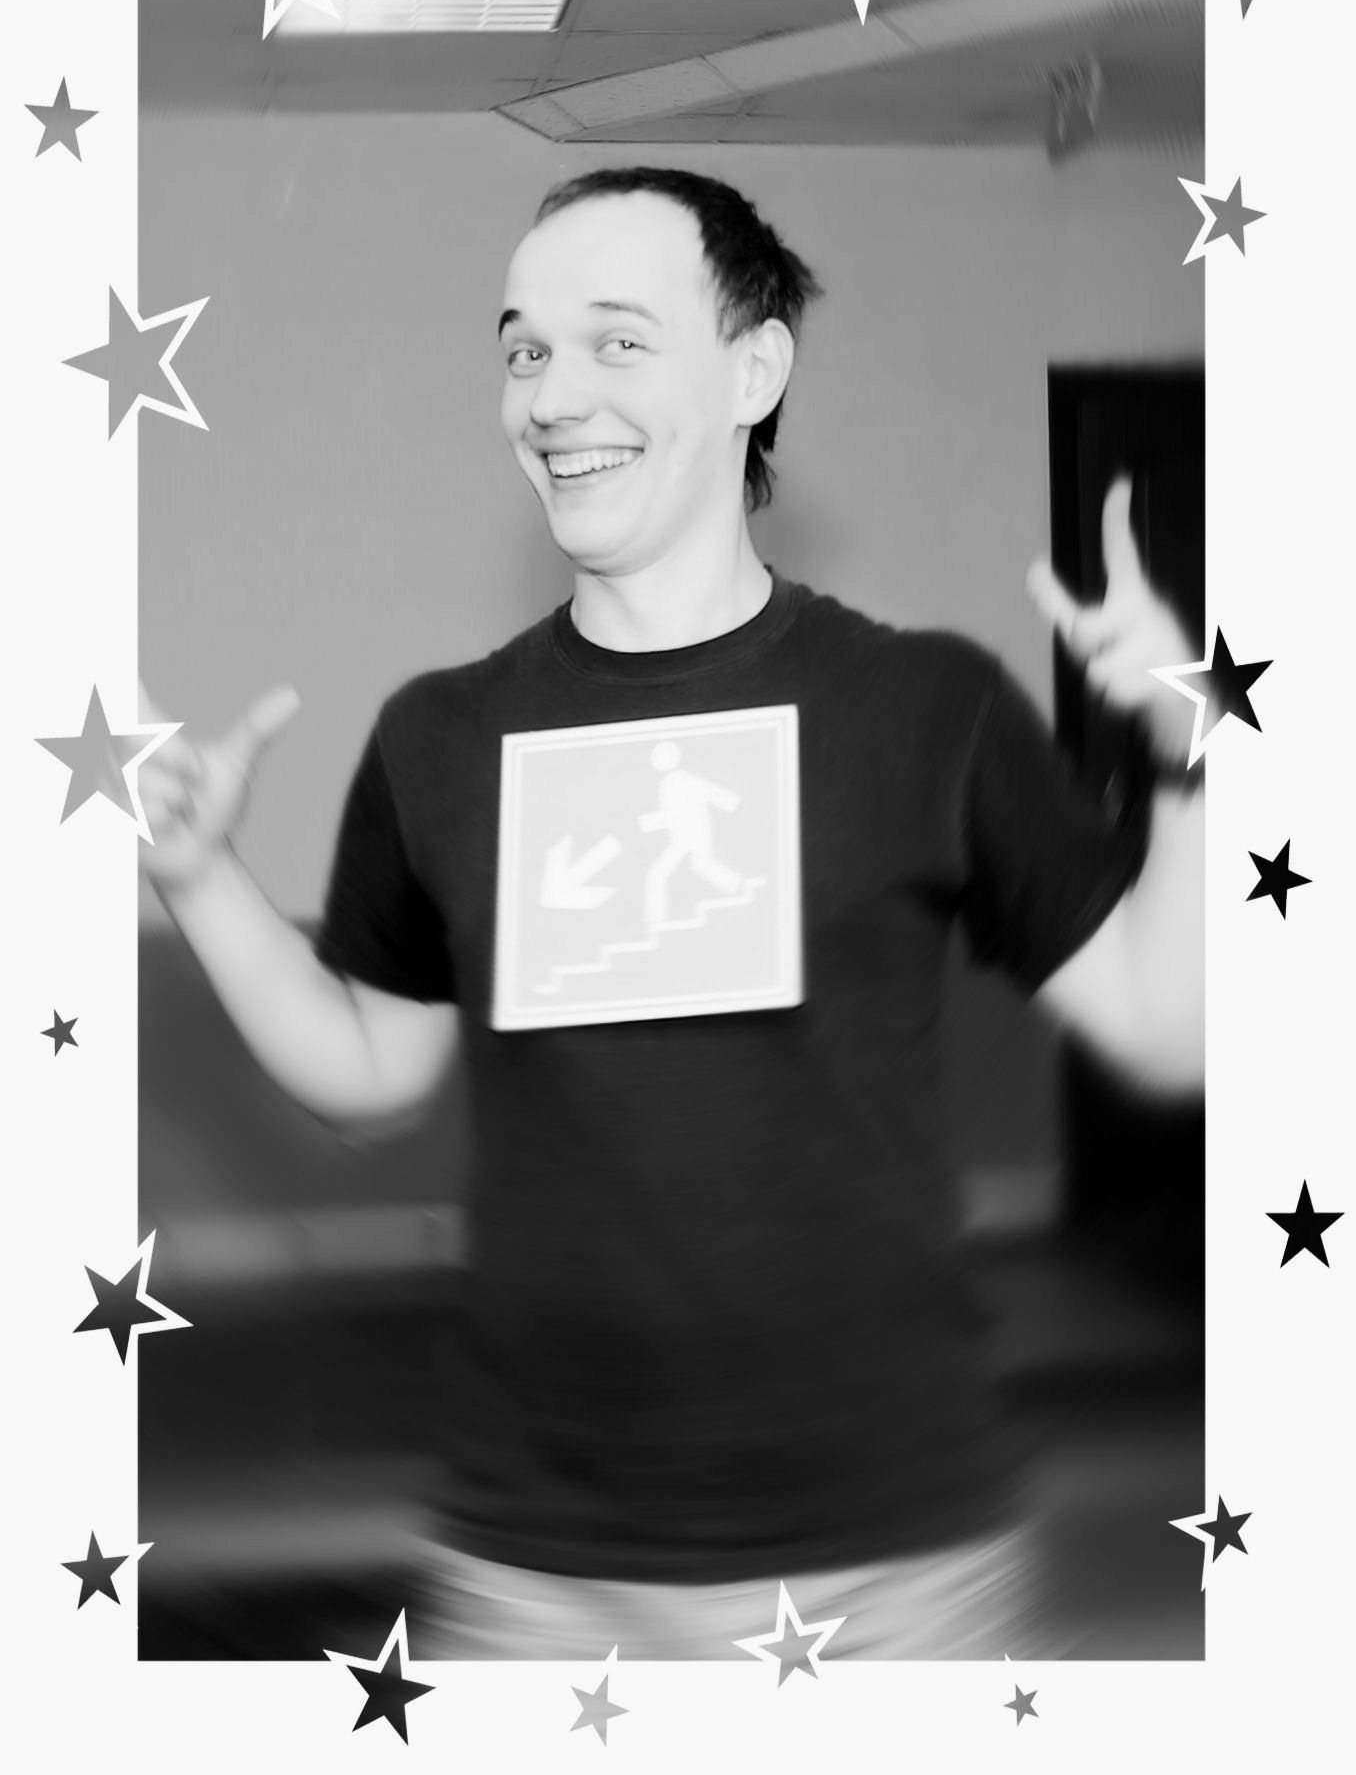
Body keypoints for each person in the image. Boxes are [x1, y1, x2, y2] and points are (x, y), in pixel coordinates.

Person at [139, 165, 1204, 1661]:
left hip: (888, 1561)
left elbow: (1167, 1024)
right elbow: (369, 1070)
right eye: (523, 349)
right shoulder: (439, 736)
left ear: (755, 370)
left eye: (618, 340)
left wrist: (1186, 748)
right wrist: (199, 879)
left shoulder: (926, 706)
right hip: (536, 1563)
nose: (552, 394)